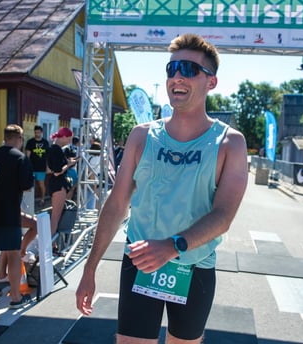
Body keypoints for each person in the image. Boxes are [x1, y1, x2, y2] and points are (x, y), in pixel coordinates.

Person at [75, 33, 248, 343]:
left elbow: (223, 215)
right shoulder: (142, 136)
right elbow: (116, 204)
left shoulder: (230, 143)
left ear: (211, 82)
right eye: (172, 69)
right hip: (141, 261)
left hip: (193, 265)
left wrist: (173, 246)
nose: (177, 77)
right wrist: (90, 269)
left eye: (189, 69)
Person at [0, 124, 34, 308]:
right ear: (20, 139)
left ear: (5, 137)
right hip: (10, 212)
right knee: (13, 254)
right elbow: (27, 185)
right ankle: (15, 297)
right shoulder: (21, 158)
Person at [47, 127, 78, 239]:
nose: (70, 141)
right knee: (56, 217)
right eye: (69, 138)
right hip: (58, 185)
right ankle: (49, 244)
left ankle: (52, 244)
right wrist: (69, 164)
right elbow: (57, 171)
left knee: (55, 216)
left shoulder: (53, 148)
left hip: (55, 184)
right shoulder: (56, 150)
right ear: (64, 137)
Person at [25, 125, 49, 207]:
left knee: (41, 185)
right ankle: (30, 202)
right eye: (35, 132)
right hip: (31, 168)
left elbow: (47, 156)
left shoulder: (45, 142)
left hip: (41, 168)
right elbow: (27, 156)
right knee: (30, 185)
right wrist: (27, 166)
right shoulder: (30, 142)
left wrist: (47, 167)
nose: (37, 134)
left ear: (41, 133)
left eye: (38, 132)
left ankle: (42, 200)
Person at [63, 136, 79, 200]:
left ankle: (66, 199)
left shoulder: (66, 148)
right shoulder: (76, 149)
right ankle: (68, 200)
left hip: (66, 169)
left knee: (69, 185)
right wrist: (77, 159)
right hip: (71, 168)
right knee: (73, 186)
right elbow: (71, 159)